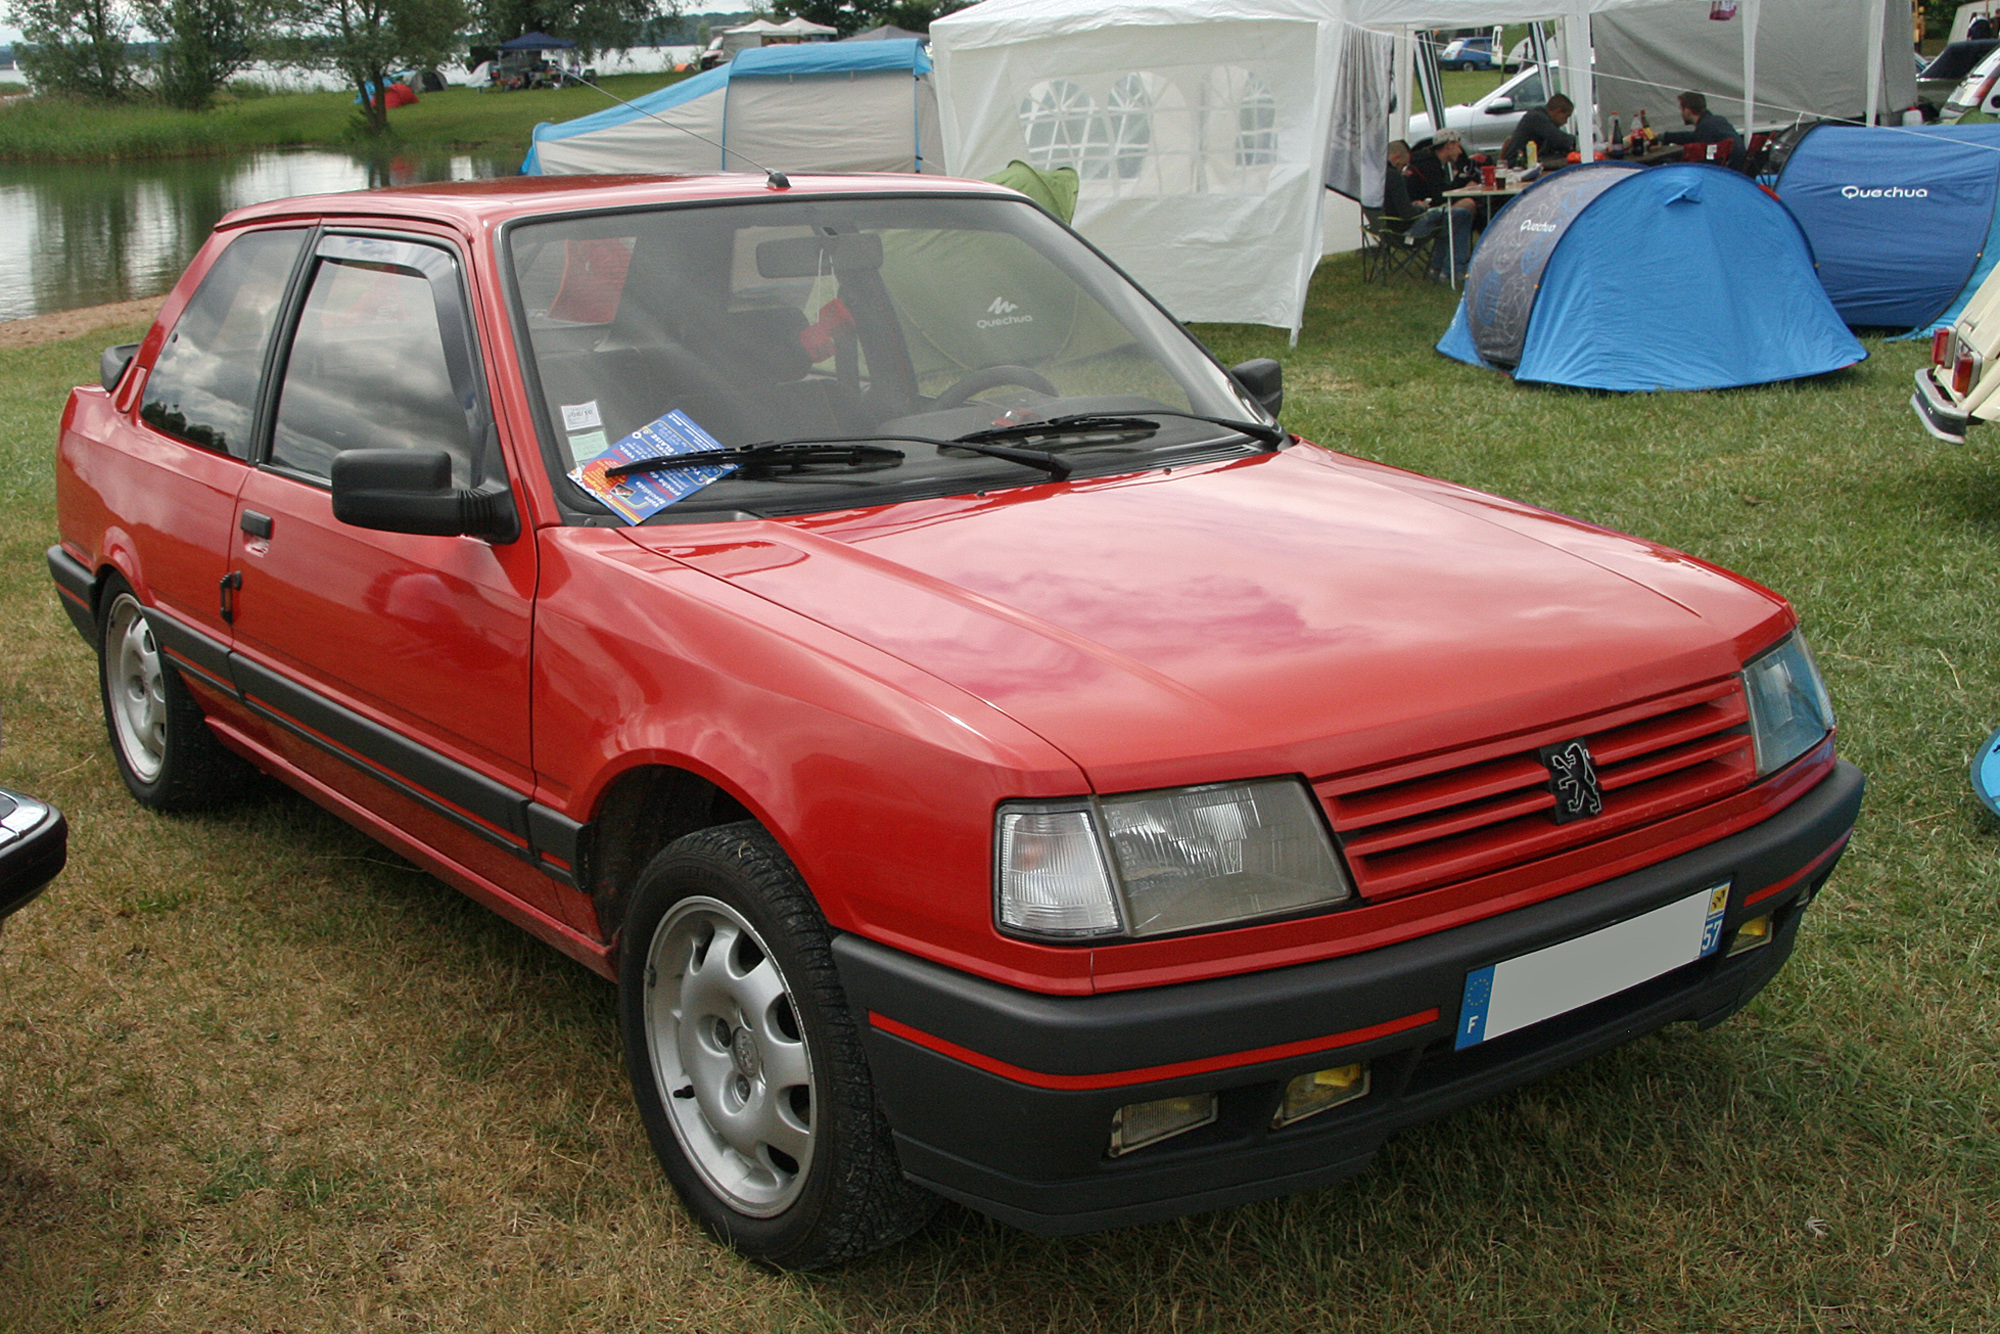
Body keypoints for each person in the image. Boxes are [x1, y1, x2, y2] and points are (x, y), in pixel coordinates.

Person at [1380, 139, 1475, 281]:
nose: (1403, 169)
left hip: (1384, 229)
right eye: (1403, 165)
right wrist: (1420, 208)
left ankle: (1438, 268)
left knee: (1445, 218)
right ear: (1396, 158)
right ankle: (1451, 270)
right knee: (1461, 214)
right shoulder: (1394, 177)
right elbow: (1408, 214)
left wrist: (1412, 204)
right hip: (1405, 233)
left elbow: (1394, 206)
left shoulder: (1375, 175)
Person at [1660, 90, 1740, 167]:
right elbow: (1691, 137)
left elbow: (1703, 160)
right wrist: (1665, 136)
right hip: (1735, 167)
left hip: (1723, 171)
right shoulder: (1717, 120)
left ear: (1688, 110)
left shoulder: (1705, 128)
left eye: (1681, 109)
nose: (1682, 113)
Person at [1501, 93, 1576, 169]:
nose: (1565, 122)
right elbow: (1559, 139)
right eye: (1566, 117)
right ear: (1559, 112)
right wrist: (1577, 142)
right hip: (1517, 164)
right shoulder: (1536, 118)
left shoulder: (1542, 118)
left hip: (1526, 162)